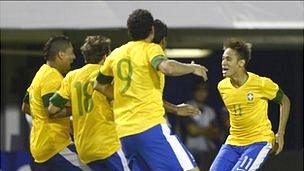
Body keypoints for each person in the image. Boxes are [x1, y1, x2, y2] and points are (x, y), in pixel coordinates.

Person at [94, 9, 208, 171]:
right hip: (150, 128)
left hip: (125, 134)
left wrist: (123, 97)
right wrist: (192, 67)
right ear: (152, 31)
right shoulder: (150, 49)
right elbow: (168, 67)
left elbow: (99, 85)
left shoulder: (116, 54)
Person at [48, 35, 130, 171]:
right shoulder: (107, 75)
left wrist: (74, 108)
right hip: (108, 145)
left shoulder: (72, 77)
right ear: (105, 56)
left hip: (85, 150)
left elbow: (52, 109)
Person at [210, 38, 291, 171]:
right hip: (233, 142)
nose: (223, 63)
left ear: (241, 63)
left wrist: (280, 134)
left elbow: (285, 101)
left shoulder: (261, 84)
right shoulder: (222, 86)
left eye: (228, 59)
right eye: (223, 59)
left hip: (259, 141)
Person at [21, 35, 86, 170]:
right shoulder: (52, 76)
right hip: (55, 146)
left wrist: (42, 119)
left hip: (39, 147)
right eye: (71, 53)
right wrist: (78, 109)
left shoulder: (40, 74)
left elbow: (25, 107)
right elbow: (51, 112)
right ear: (61, 55)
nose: (74, 57)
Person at [152, 19, 200, 117]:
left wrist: (175, 108)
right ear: (163, 41)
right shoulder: (150, 54)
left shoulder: (123, 53)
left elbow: (146, 97)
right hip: (142, 123)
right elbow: (169, 68)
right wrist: (193, 68)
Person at [182, 82, 221, 171]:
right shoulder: (185, 107)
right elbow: (192, 131)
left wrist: (200, 130)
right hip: (190, 151)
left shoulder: (210, 110)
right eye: (198, 90)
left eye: (204, 90)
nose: (201, 93)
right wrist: (208, 129)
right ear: (193, 92)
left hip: (207, 151)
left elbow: (216, 133)